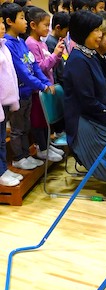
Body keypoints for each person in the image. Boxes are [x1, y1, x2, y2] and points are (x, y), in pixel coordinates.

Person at [63, 10, 106, 182]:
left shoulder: (90, 55)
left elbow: (105, 90)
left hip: (96, 115)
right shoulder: (78, 60)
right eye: (96, 30)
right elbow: (86, 101)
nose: (100, 35)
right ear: (84, 31)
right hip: (83, 121)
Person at [3, 3, 52, 170]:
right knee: (17, 129)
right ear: (9, 21)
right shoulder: (8, 44)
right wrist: (42, 86)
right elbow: (22, 71)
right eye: (22, 18)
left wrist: (45, 82)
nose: (25, 22)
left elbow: (34, 64)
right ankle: (19, 157)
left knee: (25, 126)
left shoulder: (21, 41)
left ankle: (26, 154)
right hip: (18, 94)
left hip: (28, 92)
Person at [25, 6, 65, 162]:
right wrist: (54, 55)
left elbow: (49, 65)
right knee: (38, 121)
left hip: (47, 86)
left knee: (45, 120)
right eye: (45, 25)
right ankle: (42, 148)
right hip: (37, 90)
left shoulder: (41, 43)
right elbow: (39, 67)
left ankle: (47, 145)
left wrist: (57, 55)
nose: (48, 29)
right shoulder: (31, 43)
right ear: (33, 25)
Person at [0, 8, 22, 186]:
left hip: (5, 100)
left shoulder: (3, 45)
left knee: (1, 139)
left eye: (1, 23)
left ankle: (3, 169)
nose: (1, 27)